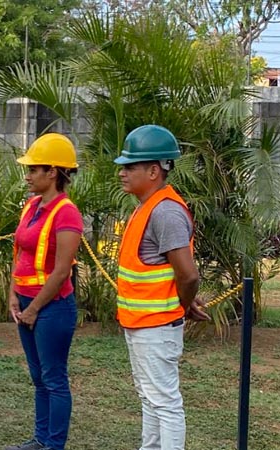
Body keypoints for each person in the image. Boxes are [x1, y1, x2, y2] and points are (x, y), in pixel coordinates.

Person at [114, 125, 208, 450]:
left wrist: (182, 304)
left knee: (164, 402)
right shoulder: (148, 206)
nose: (122, 172)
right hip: (143, 324)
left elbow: (189, 275)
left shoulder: (165, 212)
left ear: (154, 171)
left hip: (156, 326)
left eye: (130, 166)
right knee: (150, 397)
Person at [4, 134, 83, 450]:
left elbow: (62, 270)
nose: (27, 175)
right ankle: (40, 439)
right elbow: (21, 253)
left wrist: (34, 308)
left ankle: (54, 444)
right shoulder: (31, 205)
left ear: (53, 172)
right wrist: (14, 293)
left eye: (34, 169)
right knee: (39, 377)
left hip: (52, 307)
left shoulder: (67, 212)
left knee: (53, 378)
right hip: (27, 302)